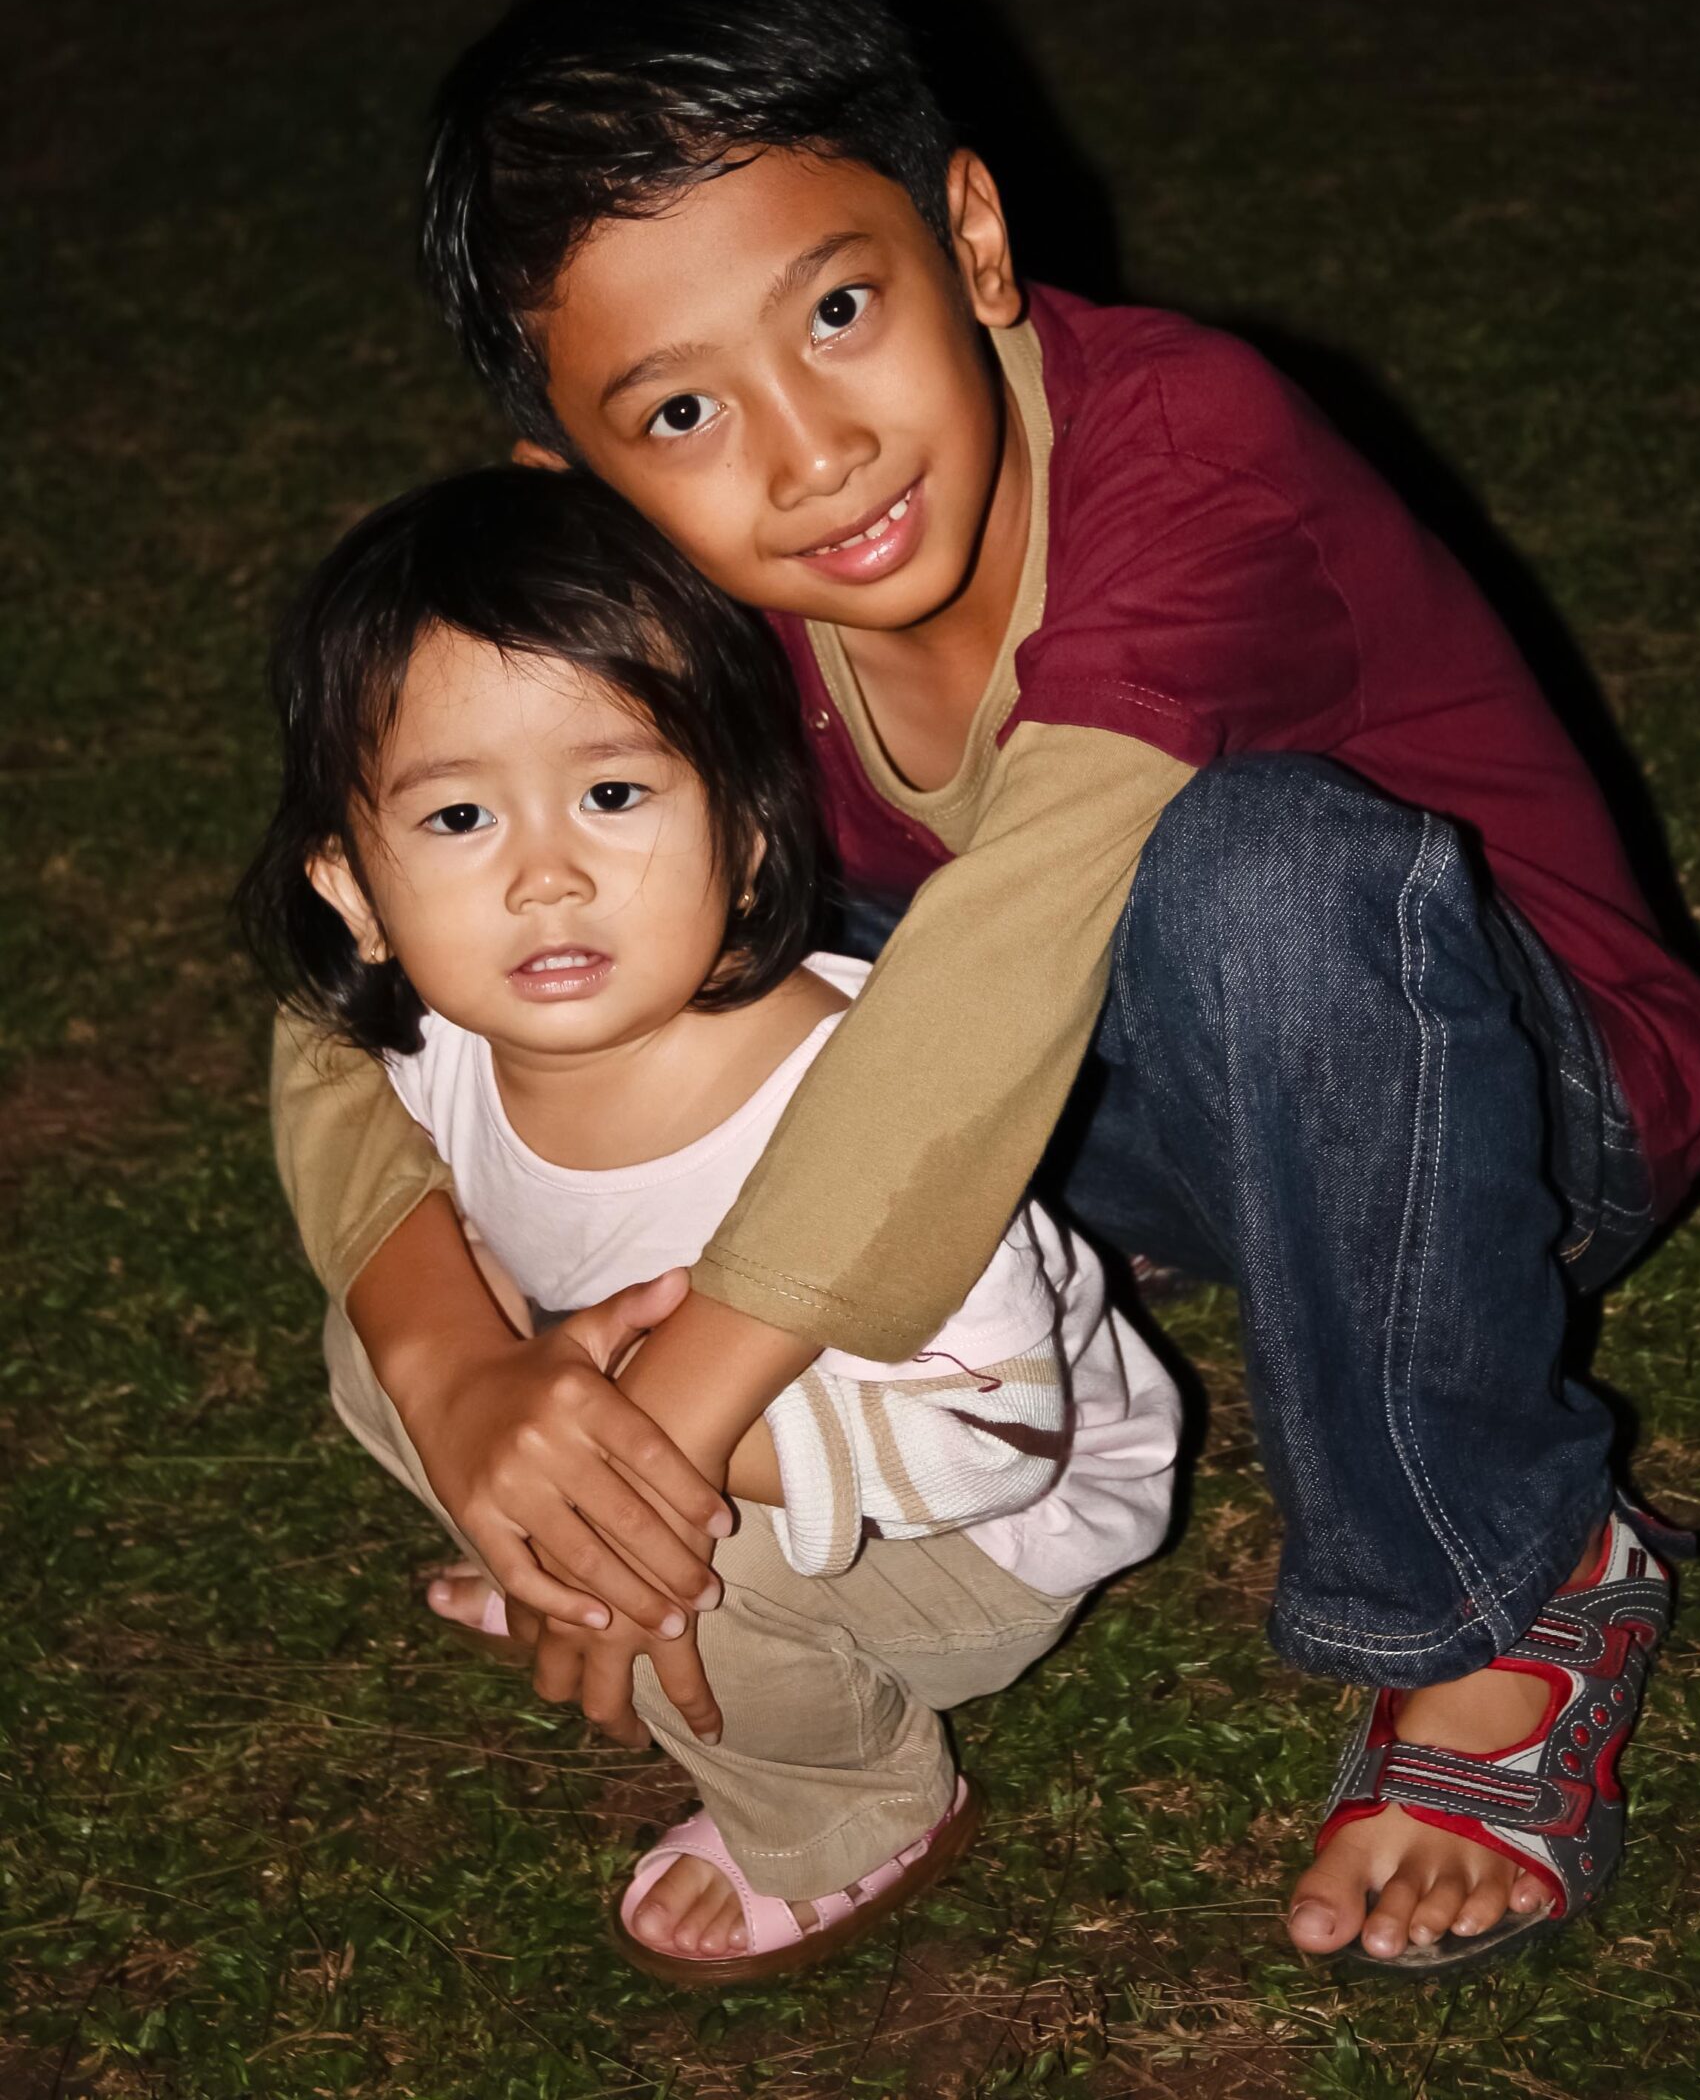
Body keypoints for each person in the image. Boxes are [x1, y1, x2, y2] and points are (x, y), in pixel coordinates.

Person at [269, 0, 1700, 1974]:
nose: (809, 453)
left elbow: (1012, 960)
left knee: (1249, 869)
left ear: (970, 235)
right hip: (1107, 1109)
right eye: (679, 410)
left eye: (837, 310)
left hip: (1502, 1101)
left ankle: (1499, 1587)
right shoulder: (684, 578)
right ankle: (877, 1355)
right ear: (583, 488)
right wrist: (459, 1368)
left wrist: (667, 1436)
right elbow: (348, 974)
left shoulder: (1184, 450)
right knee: (563, 855)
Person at [241, 464, 1181, 1981]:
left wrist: (644, 1458)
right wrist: (554, 1438)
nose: (547, 875)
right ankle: (568, 1539)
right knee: (385, 1338)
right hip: (728, 1430)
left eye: (614, 795)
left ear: (744, 838)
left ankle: (850, 1807)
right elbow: (405, 1213)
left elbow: (996, 1436)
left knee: (700, 1574)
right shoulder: (442, 1047)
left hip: (985, 1526)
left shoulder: (859, 1097)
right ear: (355, 892)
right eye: (461, 815)